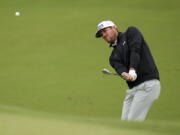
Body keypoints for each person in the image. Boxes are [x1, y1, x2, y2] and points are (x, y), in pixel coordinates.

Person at [95, 20, 161, 121]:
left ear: (114, 28)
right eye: (101, 34)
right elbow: (120, 68)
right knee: (125, 124)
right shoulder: (113, 57)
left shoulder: (131, 33)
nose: (103, 35)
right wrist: (125, 74)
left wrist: (132, 70)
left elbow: (136, 50)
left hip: (148, 85)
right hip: (133, 90)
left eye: (105, 30)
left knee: (132, 122)